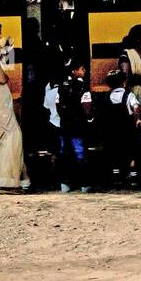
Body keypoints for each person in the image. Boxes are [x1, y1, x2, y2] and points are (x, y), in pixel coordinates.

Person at [53, 60, 91, 193]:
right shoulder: (83, 86)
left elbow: (57, 105)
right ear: (74, 71)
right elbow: (86, 106)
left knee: (65, 153)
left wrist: (65, 116)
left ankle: (65, 184)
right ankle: (84, 184)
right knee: (80, 153)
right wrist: (88, 118)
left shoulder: (61, 86)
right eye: (82, 68)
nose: (84, 71)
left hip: (65, 124)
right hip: (78, 125)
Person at [102, 67, 141, 188]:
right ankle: (133, 180)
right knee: (131, 154)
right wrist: (137, 119)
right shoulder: (129, 95)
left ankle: (116, 181)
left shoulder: (107, 97)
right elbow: (136, 107)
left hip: (112, 131)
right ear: (123, 82)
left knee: (115, 155)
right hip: (127, 130)